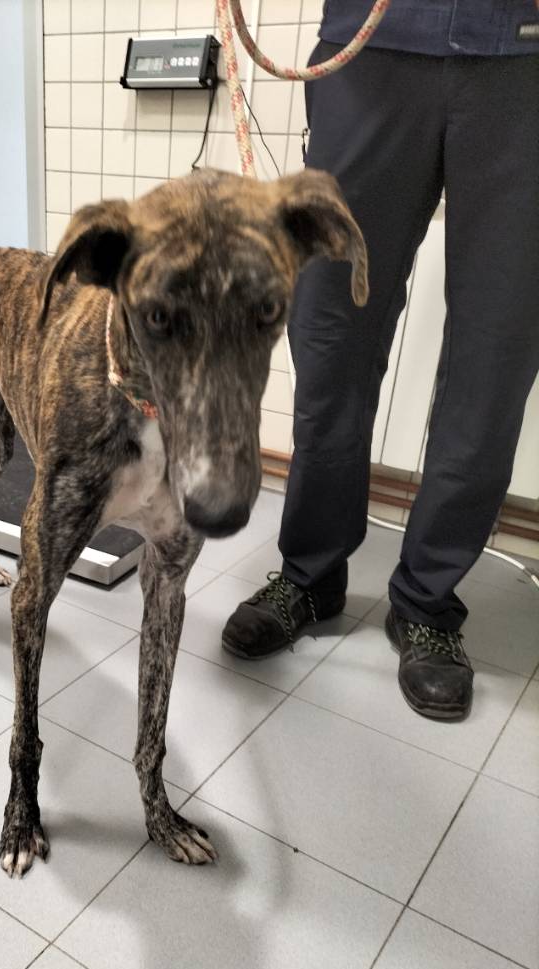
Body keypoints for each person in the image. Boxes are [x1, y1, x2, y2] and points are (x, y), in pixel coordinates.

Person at [222, 0, 539, 722]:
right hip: (371, 54)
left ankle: (426, 601)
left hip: (523, 60)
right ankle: (310, 574)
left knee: (496, 353)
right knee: (330, 333)